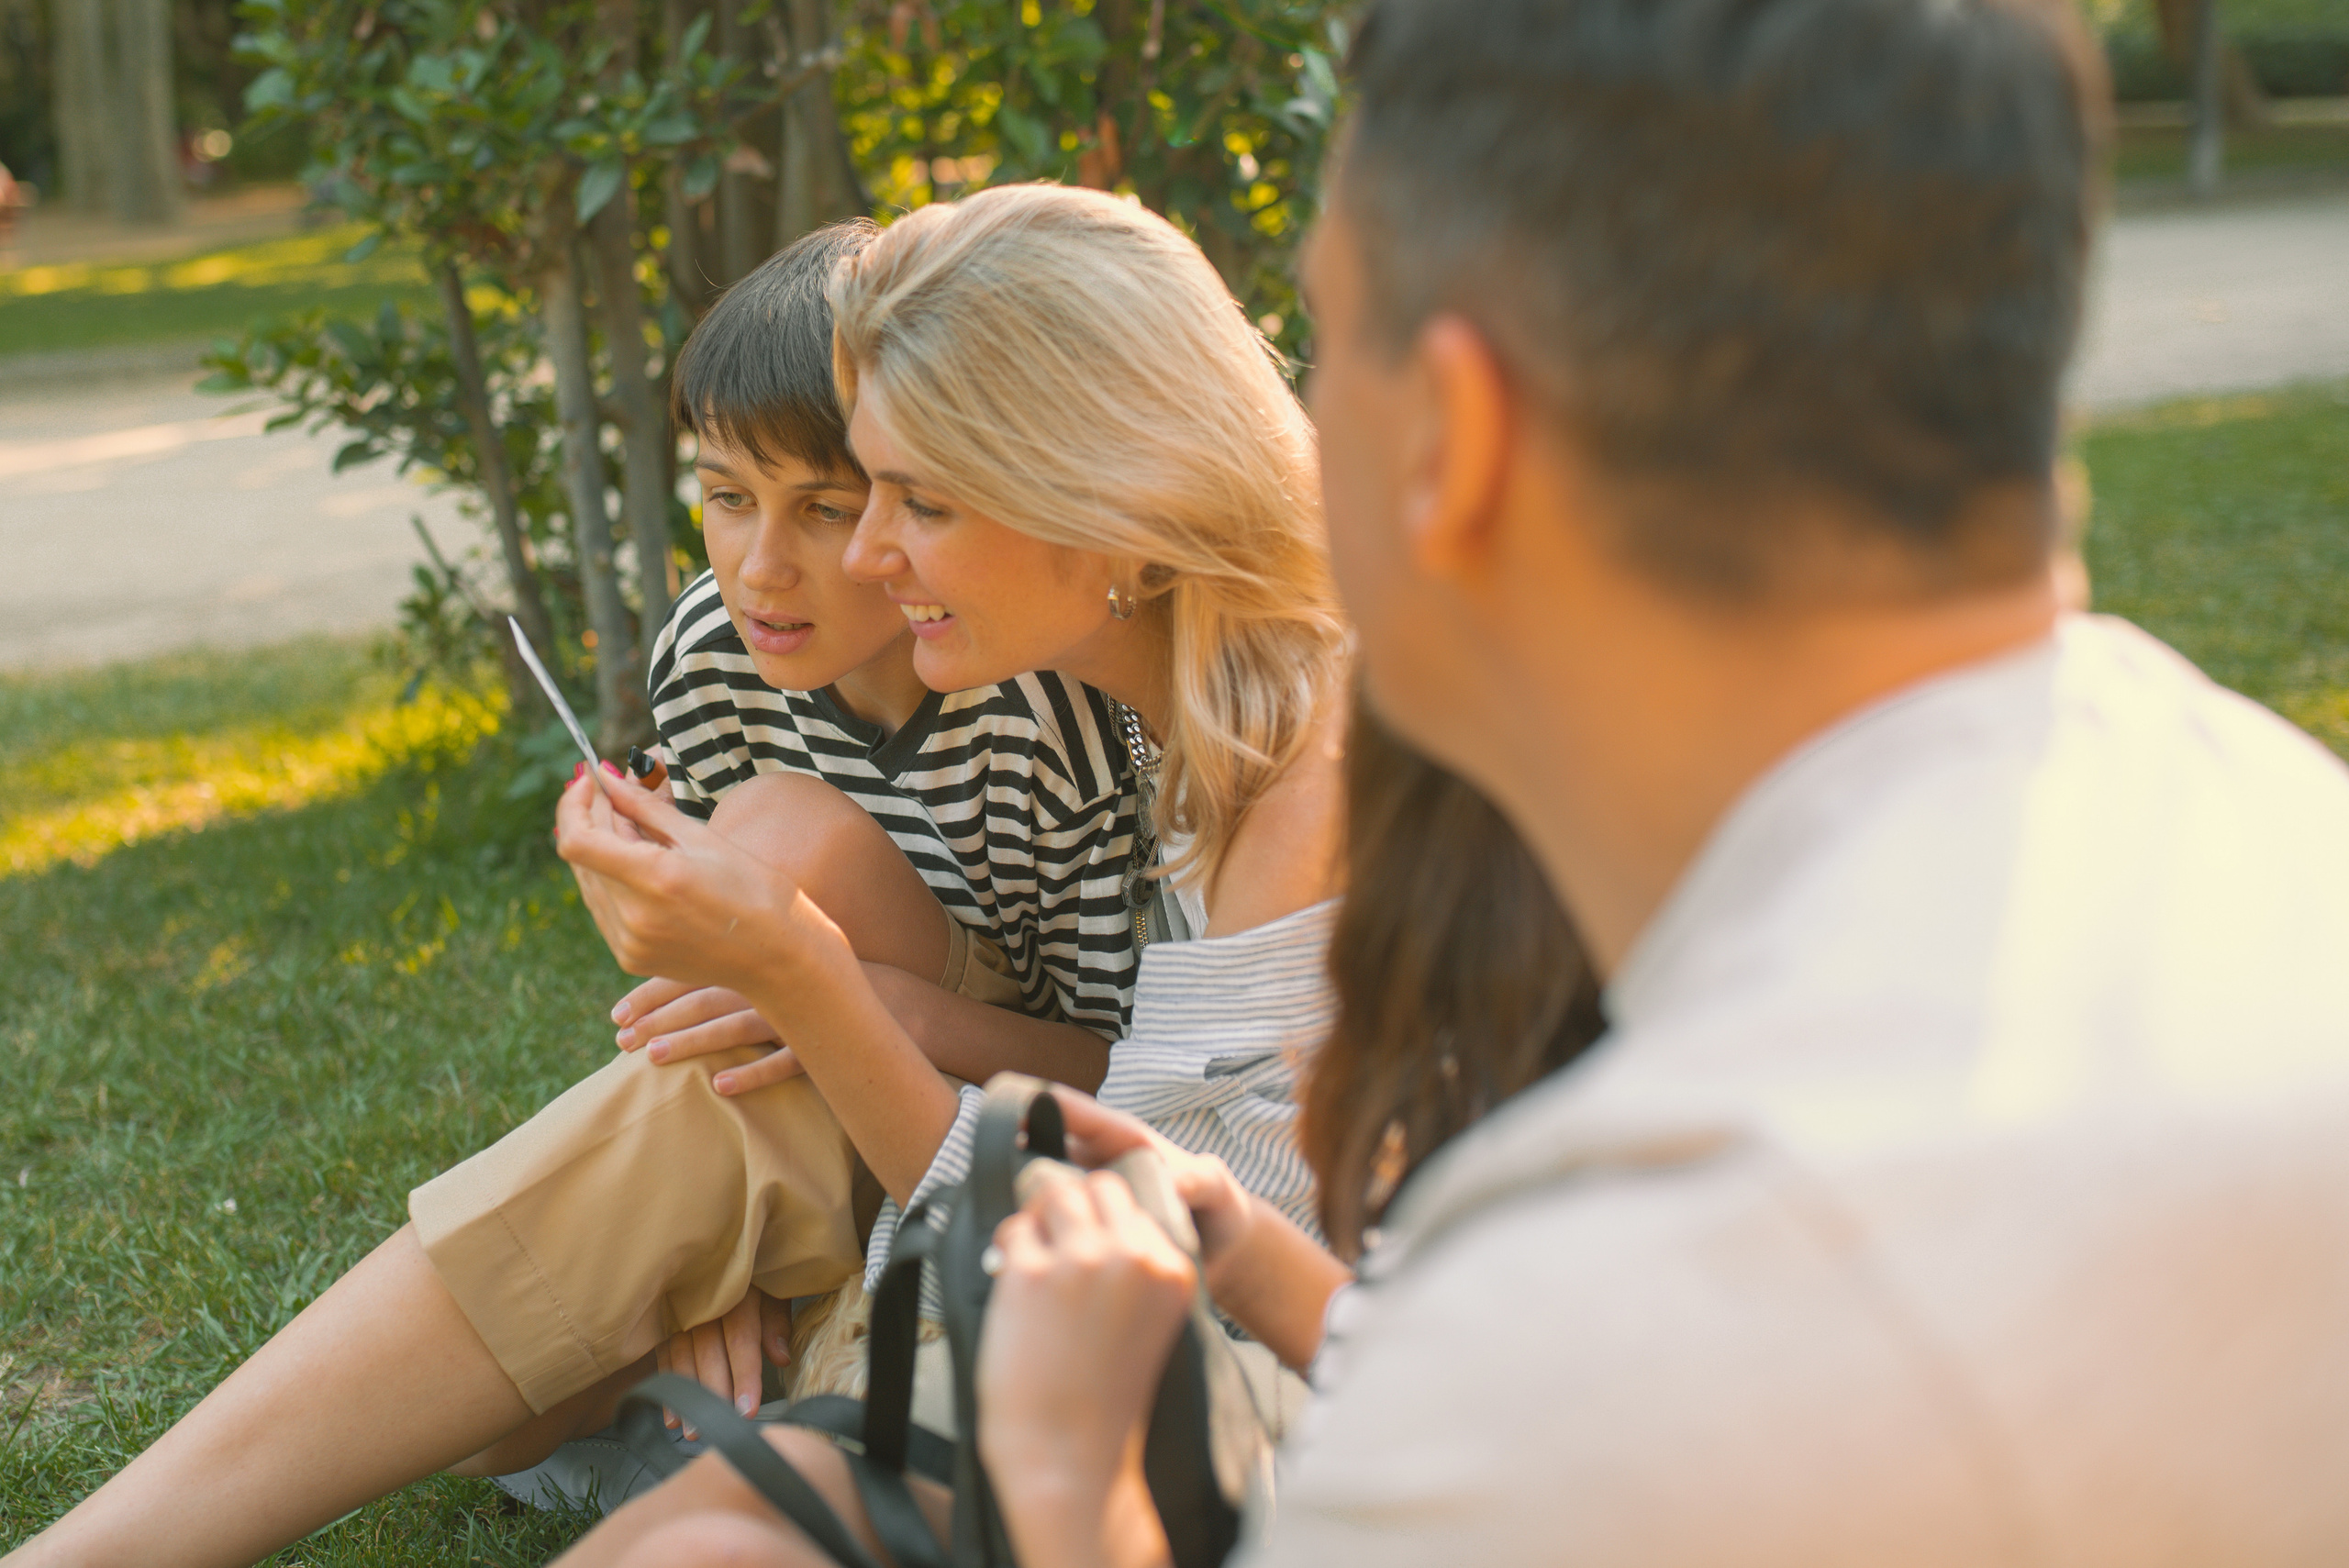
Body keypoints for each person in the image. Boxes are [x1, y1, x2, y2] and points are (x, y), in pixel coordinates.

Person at [563, 0, 2349, 1562]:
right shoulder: (2279, 843)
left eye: (1329, 353)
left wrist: (1063, 1481)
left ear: (1459, 439)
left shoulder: (1608, 1315)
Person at [5, 184, 1348, 1568]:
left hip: (1168, 1398)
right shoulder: (1184, 709)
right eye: (849, 491)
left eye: (911, 500)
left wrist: (809, 974)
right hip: (1054, 1300)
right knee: (733, 1063)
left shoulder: (1283, 772)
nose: (868, 555)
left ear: (1111, 503)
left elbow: (1134, 1277)